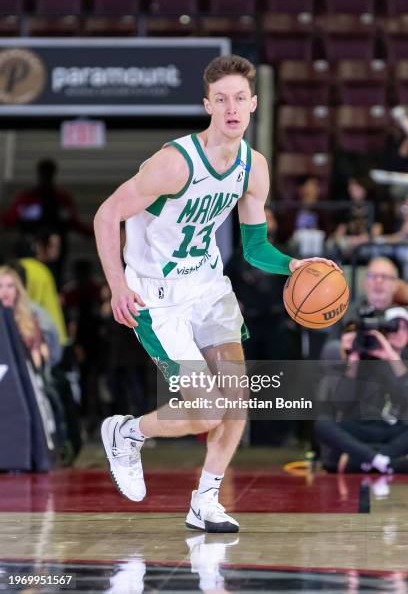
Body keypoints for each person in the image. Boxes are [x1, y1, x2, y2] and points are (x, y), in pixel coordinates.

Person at [94, 55, 339, 533]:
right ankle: (126, 431)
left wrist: (294, 264)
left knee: (237, 400)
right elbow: (106, 215)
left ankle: (205, 501)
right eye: (221, 99)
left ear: (253, 105)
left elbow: (254, 247)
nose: (231, 107)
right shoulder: (173, 164)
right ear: (208, 104)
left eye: (239, 99)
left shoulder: (254, 167)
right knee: (204, 410)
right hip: (156, 296)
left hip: (206, 286)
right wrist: (117, 285)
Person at [315, 306, 408, 474]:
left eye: (405, 327)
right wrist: (354, 358)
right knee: (323, 424)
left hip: (392, 431)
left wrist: (391, 357)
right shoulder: (354, 359)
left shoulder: (399, 364)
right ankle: (383, 463)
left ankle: (366, 460)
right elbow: (342, 404)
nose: (399, 332)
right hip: (359, 428)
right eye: (394, 326)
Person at [0, 265, 47, 369]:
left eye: (10, 286)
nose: (5, 291)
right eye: (0, 286)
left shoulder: (30, 320)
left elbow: (38, 359)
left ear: (17, 291)